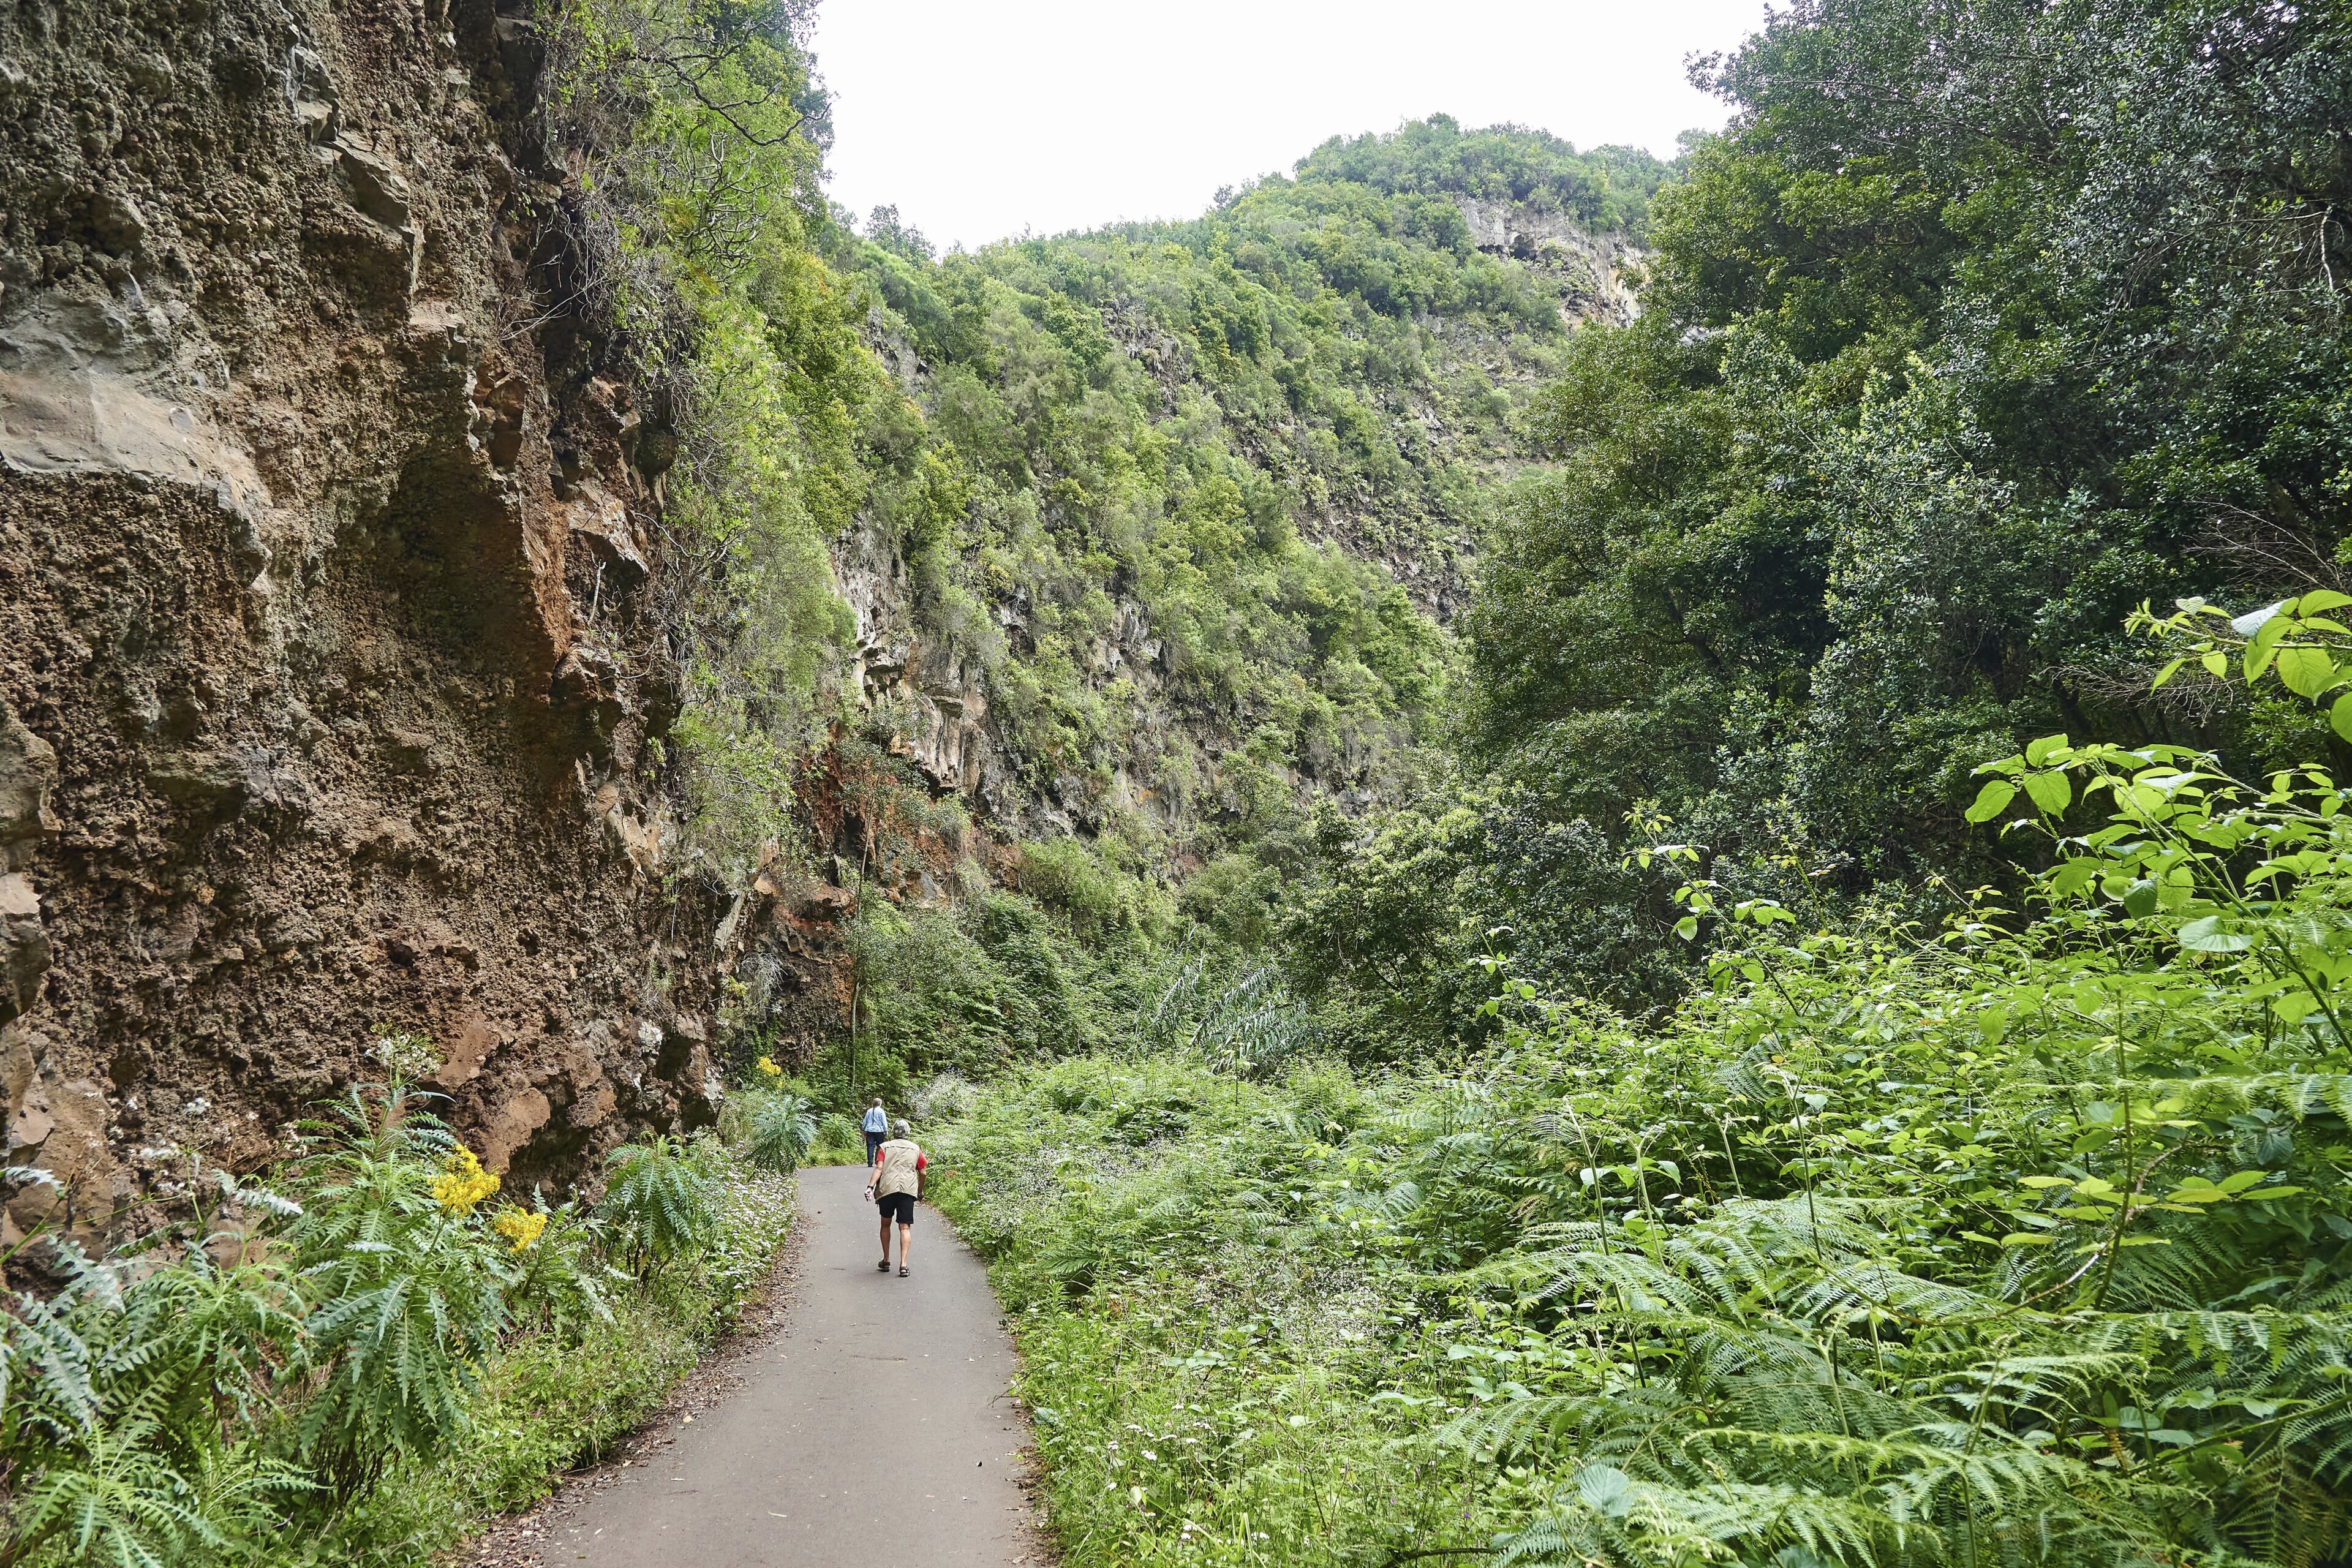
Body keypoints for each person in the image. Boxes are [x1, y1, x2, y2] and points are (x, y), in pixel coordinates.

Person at [865, 1118, 925, 1277]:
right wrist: (920, 1191)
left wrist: (870, 1187)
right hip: (907, 1190)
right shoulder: (915, 1149)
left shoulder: (884, 1147)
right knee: (904, 1227)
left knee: (886, 1224)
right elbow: (923, 1172)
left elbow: (879, 1168)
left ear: (894, 1132)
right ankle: (904, 1265)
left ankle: (886, 1260)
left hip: (887, 1189)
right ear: (908, 1132)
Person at [861, 1099, 889, 1165]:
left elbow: (865, 1121)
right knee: (880, 1146)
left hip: (869, 1131)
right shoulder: (881, 1111)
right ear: (880, 1104)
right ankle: (877, 1159)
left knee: (870, 1146)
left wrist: (864, 1129)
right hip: (879, 1131)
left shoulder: (869, 1111)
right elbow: (884, 1122)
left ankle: (870, 1162)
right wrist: (886, 1131)